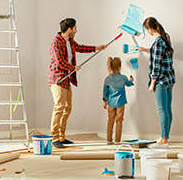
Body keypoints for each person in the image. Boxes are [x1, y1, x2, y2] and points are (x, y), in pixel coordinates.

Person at [49, 18, 106, 148]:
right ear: (69, 29)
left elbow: (80, 48)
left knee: (67, 108)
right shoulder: (56, 43)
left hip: (67, 78)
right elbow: (58, 61)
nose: (76, 30)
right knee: (59, 107)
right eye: (75, 28)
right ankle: (54, 138)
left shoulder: (70, 41)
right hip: (57, 79)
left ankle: (61, 137)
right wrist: (72, 67)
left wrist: (97, 48)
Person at [137, 17, 175, 146]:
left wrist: (152, 83)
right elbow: (158, 53)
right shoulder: (165, 37)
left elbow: (156, 65)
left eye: (146, 30)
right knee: (168, 109)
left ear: (150, 29)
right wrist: (144, 49)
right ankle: (166, 137)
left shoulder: (158, 42)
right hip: (169, 79)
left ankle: (164, 138)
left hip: (161, 81)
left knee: (161, 110)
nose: (146, 32)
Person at [102, 57, 134, 144]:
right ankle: (117, 141)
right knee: (119, 121)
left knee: (110, 121)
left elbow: (105, 92)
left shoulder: (108, 79)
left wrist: (105, 101)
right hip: (120, 103)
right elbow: (128, 84)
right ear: (120, 67)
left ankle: (109, 140)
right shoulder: (123, 78)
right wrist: (131, 80)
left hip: (111, 103)